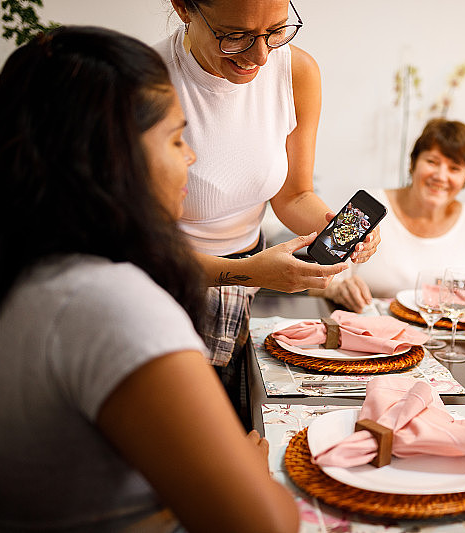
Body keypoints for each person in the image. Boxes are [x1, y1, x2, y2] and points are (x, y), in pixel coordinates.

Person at [0, 27, 299, 532]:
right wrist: (249, 469)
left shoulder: (32, 274)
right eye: (177, 138)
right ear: (112, 155)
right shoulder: (109, 303)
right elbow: (267, 525)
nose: (192, 157)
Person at [154, 0, 379, 424]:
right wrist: (251, 272)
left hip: (244, 290)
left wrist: (337, 228)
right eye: (234, 35)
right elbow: (139, 249)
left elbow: (293, 196)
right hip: (164, 286)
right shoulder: (145, 82)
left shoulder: (296, 71)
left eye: (276, 31)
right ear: (183, 7)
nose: (260, 56)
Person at [315, 119, 465, 312]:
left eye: (455, 168)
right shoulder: (368, 207)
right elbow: (318, 280)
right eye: (432, 162)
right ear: (413, 163)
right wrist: (337, 289)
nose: (441, 176)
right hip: (366, 330)